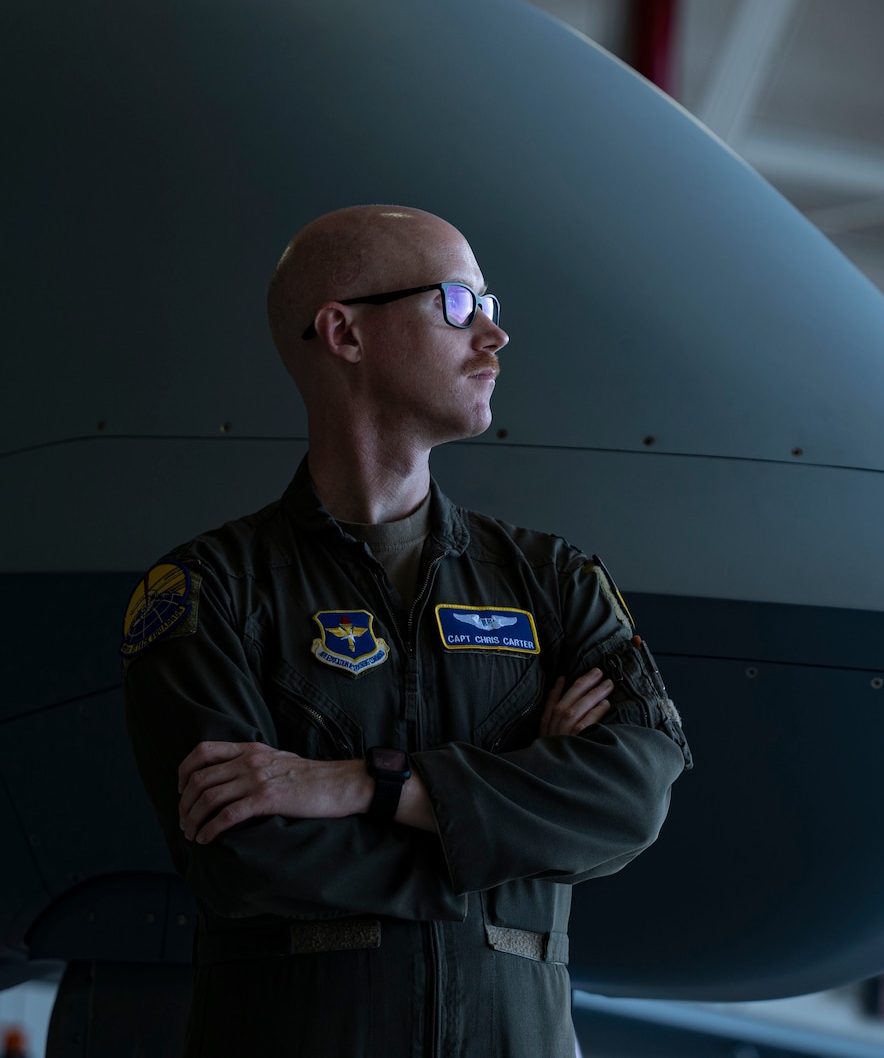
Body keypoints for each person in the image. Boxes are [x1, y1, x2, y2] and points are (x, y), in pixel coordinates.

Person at [120, 205, 690, 1056]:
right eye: (458, 304)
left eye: (489, 303)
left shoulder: (555, 579)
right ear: (344, 332)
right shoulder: (206, 591)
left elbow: (634, 794)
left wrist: (362, 785)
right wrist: (513, 823)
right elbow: (242, 854)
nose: (493, 334)